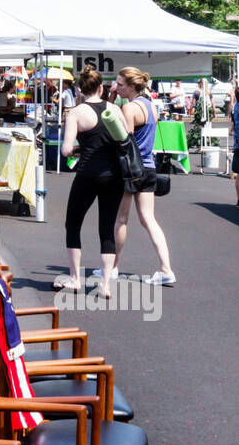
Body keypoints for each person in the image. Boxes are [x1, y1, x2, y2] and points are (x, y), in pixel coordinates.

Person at [57, 66, 124, 296]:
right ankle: (105, 284)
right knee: (106, 228)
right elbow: (124, 140)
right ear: (101, 87)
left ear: (80, 89)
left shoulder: (75, 113)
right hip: (114, 175)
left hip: (87, 173)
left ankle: (75, 278)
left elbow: (66, 150)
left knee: (73, 223)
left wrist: (77, 148)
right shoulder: (115, 109)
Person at [111, 67, 175, 286]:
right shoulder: (150, 105)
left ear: (130, 86)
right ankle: (166, 268)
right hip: (148, 167)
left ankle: (113, 268)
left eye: (119, 84)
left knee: (121, 219)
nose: (116, 87)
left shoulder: (130, 108)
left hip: (131, 169)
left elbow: (125, 141)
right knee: (148, 219)